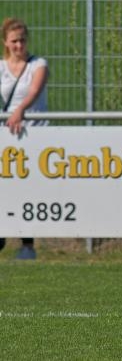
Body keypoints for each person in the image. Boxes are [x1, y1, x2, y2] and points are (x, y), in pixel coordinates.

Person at [0, 17, 48, 260]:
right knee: (5, 187)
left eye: (22, 40)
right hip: (9, 136)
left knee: (28, 189)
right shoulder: (1, 67)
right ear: (6, 43)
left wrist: (20, 110)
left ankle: (27, 245)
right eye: (14, 41)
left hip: (33, 133)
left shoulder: (38, 64)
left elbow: (34, 90)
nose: (19, 45)